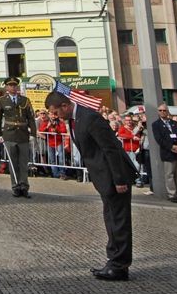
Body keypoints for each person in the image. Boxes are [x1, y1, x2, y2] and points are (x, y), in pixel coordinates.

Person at [46, 91, 135, 281]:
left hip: (113, 176)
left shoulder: (90, 118)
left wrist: (119, 179)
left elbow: (110, 148)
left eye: (55, 111)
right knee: (111, 219)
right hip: (103, 176)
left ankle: (119, 265)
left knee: (118, 220)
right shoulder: (74, 120)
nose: (55, 116)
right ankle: (115, 260)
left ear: (65, 105)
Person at [0, 77, 37, 198]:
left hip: (23, 135)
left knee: (23, 163)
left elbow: (31, 119)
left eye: (15, 85)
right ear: (6, 87)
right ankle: (15, 186)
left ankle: (24, 186)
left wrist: (33, 133)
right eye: (10, 85)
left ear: (17, 87)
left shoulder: (25, 100)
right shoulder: (2, 100)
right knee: (13, 163)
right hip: (9, 134)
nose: (13, 87)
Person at [152, 104, 177, 203]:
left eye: (164, 110)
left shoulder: (174, 123)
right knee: (169, 175)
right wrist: (171, 147)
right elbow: (159, 139)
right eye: (160, 110)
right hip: (168, 153)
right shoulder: (156, 124)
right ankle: (172, 194)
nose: (162, 112)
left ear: (167, 111)